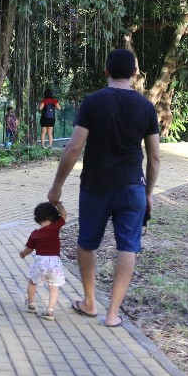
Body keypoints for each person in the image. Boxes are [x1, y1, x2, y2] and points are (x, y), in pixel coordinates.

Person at [47, 49, 160, 328]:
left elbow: (74, 148)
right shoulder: (146, 107)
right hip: (133, 186)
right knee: (128, 247)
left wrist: (56, 188)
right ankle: (112, 314)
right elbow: (155, 156)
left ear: (106, 72)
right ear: (135, 73)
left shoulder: (93, 102)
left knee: (87, 242)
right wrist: (148, 193)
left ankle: (89, 302)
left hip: (95, 186)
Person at [19, 200, 68, 320]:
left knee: (32, 282)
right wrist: (58, 203)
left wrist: (22, 254)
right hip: (54, 264)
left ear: (37, 218)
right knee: (53, 287)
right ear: (53, 216)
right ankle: (50, 310)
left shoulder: (35, 234)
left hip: (40, 263)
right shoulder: (55, 228)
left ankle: (31, 304)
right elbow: (64, 215)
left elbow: (29, 249)